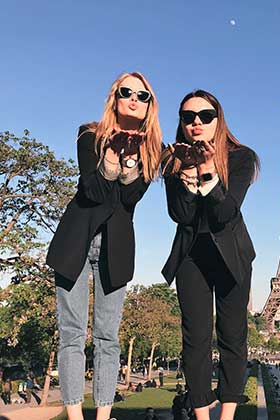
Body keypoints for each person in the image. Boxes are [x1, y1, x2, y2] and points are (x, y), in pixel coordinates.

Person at [46, 71, 162, 420]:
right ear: (115, 97)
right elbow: (94, 191)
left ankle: (103, 415)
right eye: (126, 92)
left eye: (143, 96)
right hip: (75, 242)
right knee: (71, 334)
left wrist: (131, 161)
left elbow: (128, 199)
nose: (134, 99)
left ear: (149, 106)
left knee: (108, 338)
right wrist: (112, 155)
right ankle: (75, 415)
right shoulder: (89, 134)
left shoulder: (151, 151)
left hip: (116, 246)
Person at [162, 89, 259, 420]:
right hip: (191, 256)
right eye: (188, 117)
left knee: (233, 335)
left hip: (232, 255)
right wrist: (188, 172)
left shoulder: (241, 158)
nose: (196, 123)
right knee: (196, 338)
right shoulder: (173, 162)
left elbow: (226, 213)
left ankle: (227, 415)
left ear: (218, 120)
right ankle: (202, 415)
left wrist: (207, 169)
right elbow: (180, 215)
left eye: (205, 116)